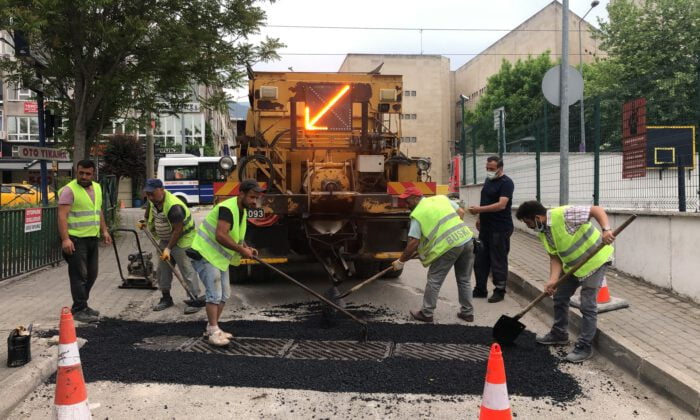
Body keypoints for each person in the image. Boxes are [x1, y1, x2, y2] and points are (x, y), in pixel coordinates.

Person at [515, 200, 616, 363]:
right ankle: (559, 333)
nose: (528, 226)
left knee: (587, 304)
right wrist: (553, 281)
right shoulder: (543, 232)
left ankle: (584, 346)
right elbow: (554, 257)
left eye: (528, 222)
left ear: (537, 217)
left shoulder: (564, 214)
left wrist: (606, 230)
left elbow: (596, 210)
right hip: (573, 266)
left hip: (595, 261)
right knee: (560, 296)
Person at [187, 179, 262, 346]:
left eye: (256, 198)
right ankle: (213, 331)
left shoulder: (241, 210)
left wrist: (246, 247)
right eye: (252, 197)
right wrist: (241, 251)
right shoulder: (228, 208)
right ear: (241, 194)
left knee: (224, 294)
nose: (254, 202)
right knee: (214, 295)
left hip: (218, 258)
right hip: (206, 254)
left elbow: (234, 234)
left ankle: (212, 328)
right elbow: (220, 235)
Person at [392, 187, 475, 323]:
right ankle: (467, 313)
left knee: (434, 280)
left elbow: (413, 243)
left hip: (450, 247)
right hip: (466, 239)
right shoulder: (440, 198)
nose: (407, 205)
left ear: (416, 198)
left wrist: (401, 261)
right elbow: (460, 212)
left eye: (407, 201)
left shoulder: (417, 214)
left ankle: (426, 313)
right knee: (464, 279)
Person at [57, 160, 112, 323]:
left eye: (88, 174)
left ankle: (81, 305)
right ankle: (79, 309)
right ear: (76, 172)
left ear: (93, 174)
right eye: (81, 173)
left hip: (92, 238)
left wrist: (104, 230)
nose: (84, 176)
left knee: (92, 274)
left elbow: (98, 210)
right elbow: (61, 216)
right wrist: (65, 239)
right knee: (79, 275)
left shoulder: (97, 187)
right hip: (75, 239)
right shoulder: (69, 191)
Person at [137, 179, 203, 314]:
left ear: (161, 190)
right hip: (165, 239)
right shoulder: (152, 200)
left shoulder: (174, 207)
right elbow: (149, 212)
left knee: (186, 269)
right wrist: (144, 221)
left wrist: (168, 249)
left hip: (182, 240)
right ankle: (166, 298)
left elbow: (178, 230)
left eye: (152, 193)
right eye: (148, 194)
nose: (149, 197)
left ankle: (195, 299)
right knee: (163, 270)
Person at [468, 155, 515, 303]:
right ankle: (480, 289)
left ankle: (499, 290)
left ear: (500, 168)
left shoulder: (506, 183)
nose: (489, 171)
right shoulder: (489, 180)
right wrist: (479, 217)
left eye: (492, 169)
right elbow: (485, 200)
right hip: (486, 228)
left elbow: (502, 204)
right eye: (487, 168)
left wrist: (479, 209)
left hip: (500, 229)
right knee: (480, 259)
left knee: (498, 260)